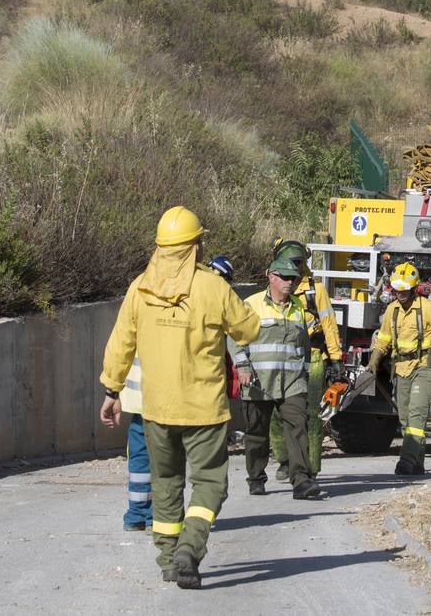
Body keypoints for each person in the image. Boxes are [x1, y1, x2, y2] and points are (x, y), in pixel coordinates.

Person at [100, 206, 260, 589]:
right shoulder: (213, 287)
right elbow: (249, 329)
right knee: (210, 483)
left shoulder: (140, 288)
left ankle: (169, 559)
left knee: (165, 482)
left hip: (157, 409)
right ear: (195, 246)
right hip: (204, 410)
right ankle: (190, 546)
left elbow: (121, 342)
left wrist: (111, 389)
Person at [236, 248, 325, 500]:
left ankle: (301, 481)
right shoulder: (251, 304)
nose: (290, 282)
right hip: (259, 381)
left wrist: (304, 373)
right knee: (257, 433)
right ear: (271, 277)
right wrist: (243, 367)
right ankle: (256, 477)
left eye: (293, 278)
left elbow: (304, 345)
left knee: (298, 427)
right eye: (285, 277)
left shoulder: (298, 308)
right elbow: (237, 339)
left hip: (292, 382)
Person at [368, 262, 431, 475]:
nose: (400, 293)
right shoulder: (391, 310)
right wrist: (374, 360)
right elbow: (383, 340)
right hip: (401, 367)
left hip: (425, 366)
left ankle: (407, 460)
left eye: (405, 289)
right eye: (397, 289)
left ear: (414, 288)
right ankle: (418, 462)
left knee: (417, 413)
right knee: (404, 417)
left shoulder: (429, 309)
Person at [266, 239, 343, 484]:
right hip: (281, 359)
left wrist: (336, 358)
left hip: (313, 359)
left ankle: (310, 468)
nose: (293, 271)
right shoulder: (274, 287)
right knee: (276, 414)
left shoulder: (315, 290)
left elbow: (329, 325)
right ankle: (284, 460)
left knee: (311, 416)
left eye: (297, 264)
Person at [119, 353, 152, 532]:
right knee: (166, 459)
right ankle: (156, 515)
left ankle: (136, 514)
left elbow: (119, 352)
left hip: (138, 401)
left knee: (139, 459)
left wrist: (111, 392)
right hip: (166, 400)